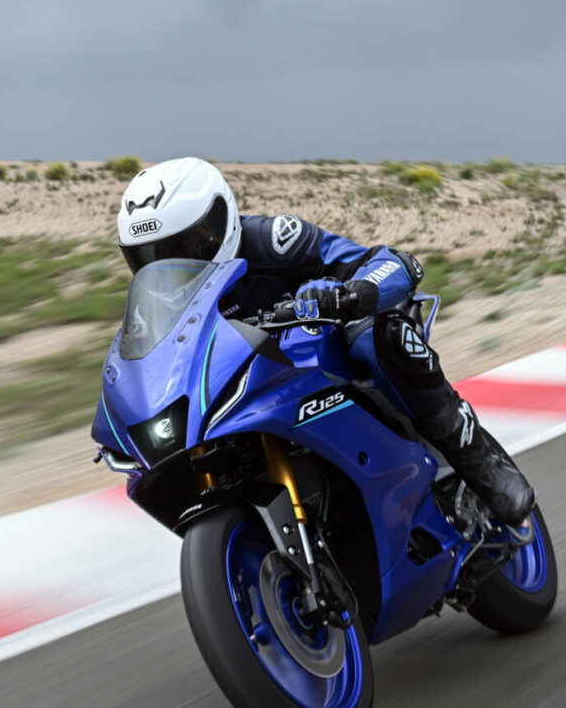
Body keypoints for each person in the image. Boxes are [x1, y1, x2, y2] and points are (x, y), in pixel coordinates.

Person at [116, 156, 534, 535]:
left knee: (377, 339)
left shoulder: (273, 239)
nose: (165, 267)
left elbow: (392, 262)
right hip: (256, 388)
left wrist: (346, 295)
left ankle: (476, 457)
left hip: (327, 351)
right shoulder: (156, 308)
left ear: (216, 227)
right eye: (147, 258)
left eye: (179, 249)